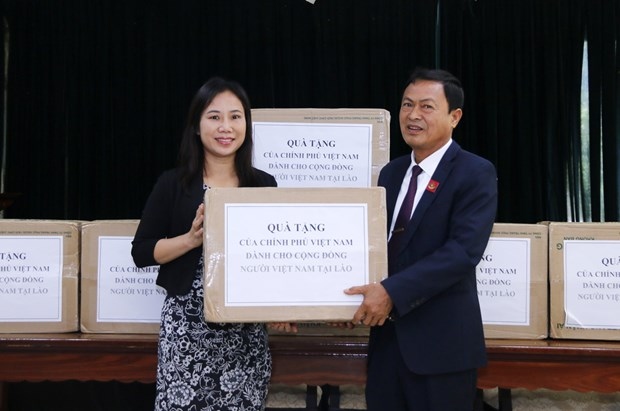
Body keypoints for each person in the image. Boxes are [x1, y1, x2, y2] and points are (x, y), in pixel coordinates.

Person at [345, 68, 498, 410]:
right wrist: (340, 296)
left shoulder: (475, 172)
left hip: (442, 348)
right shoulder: (392, 172)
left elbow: (462, 252)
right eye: (406, 104)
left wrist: (391, 292)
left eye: (426, 107)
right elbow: (376, 248)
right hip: (386, 344)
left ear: (454, 116)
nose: (413, 115)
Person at [131, 77, 284, 411]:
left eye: (235, 116)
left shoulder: (263, 185)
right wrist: (190, 239)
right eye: (214, 117)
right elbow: (141, 252)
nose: (225, 127)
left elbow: (276, 258)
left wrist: (284, 307)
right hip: (186, 330)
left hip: (245, 335)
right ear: (197, 127)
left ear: (246, 124)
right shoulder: (173, 183)